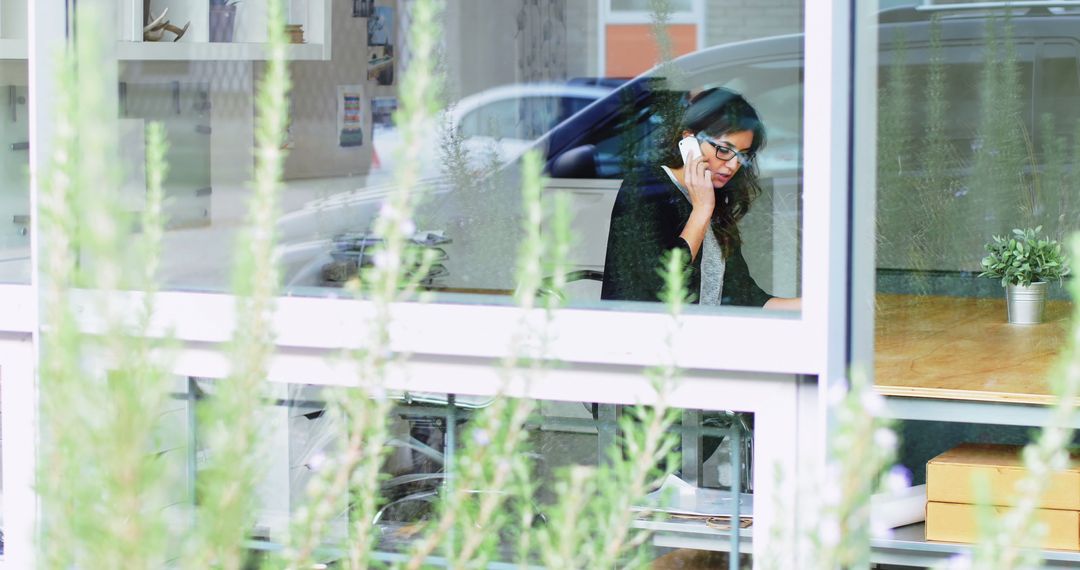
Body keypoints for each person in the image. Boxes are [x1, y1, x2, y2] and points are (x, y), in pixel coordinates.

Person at [601, 87, 801, 310]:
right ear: (689, 140)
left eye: (743, 155)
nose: (734, 165)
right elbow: (660, 288)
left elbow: (746, 296)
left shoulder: (713, 197)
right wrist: (701, 210)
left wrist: (810, 306)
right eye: (724, 150)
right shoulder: (645, 189)